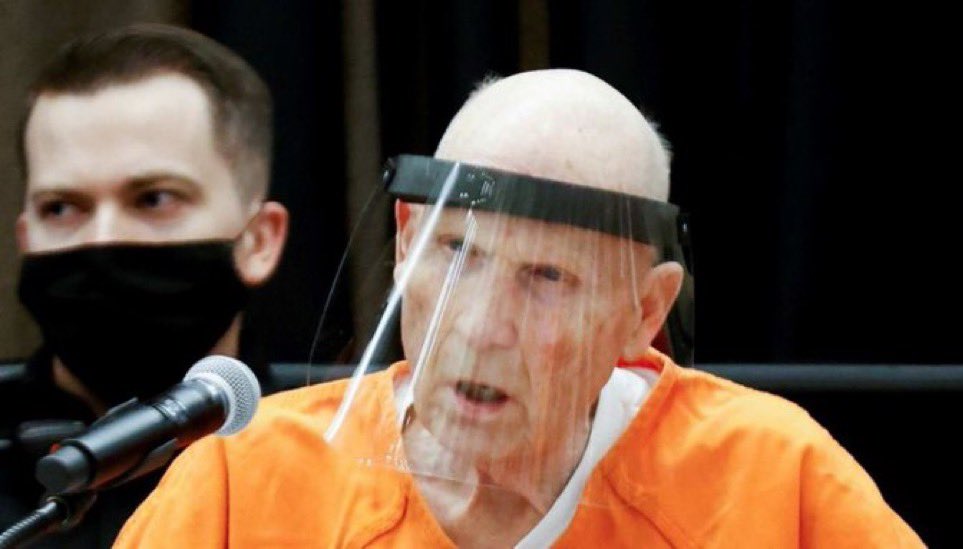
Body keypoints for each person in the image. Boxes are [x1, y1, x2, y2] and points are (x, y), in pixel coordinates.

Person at [115, 69, 920, 547]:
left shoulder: (769, 481)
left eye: (547, 276)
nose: (477, 326)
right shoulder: (243, 482)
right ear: (406, 242)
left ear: (643, 310)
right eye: (455, 252)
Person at [0, 24, 288, 547]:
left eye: (154, 199)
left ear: (259, 241)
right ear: (26, 237)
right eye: (61, 208)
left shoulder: (346, 465)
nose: (102, 239)